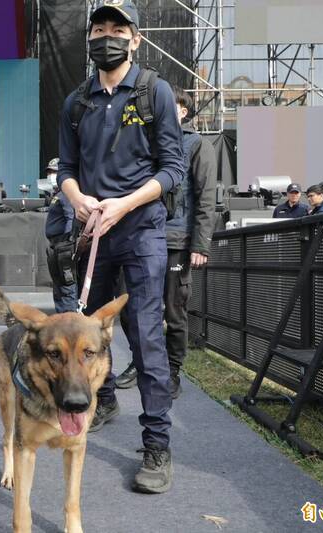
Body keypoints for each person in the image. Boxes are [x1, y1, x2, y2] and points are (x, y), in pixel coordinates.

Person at [58, 0, 184, 493]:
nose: (106, 36)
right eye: (99, 28)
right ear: (89, 38)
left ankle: (156, 445)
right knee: (84, 330)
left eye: (117, 28)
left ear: (134, 38)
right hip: (92, 235)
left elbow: (172, 170)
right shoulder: (77, 101)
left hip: (142, 232)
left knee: (146, 334)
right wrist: (81, 200)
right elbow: (65, 170)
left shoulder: (155, 92)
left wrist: (124, 204)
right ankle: (101, 399)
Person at [116, 87, 216, 399]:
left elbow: (206, 196)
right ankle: (140, 361)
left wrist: (200, 245)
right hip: (141, 236)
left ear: (184, 111)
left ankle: (172, 372)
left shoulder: (197, 143)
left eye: (169, 105)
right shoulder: (144, 139)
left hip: (177, 240)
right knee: (132, 307)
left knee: (174, 309)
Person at [44, 157, 78, 313]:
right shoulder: (57, 194)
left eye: (54, 172)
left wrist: (69, 243)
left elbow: (71, 216)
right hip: (56, 245)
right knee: (59, 286)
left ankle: (69, 321)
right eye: (49, 172)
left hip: (64, 245)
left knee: (67, 285)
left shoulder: (66, 193)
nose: (51, 175)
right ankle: (62, 320)